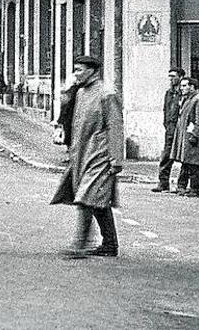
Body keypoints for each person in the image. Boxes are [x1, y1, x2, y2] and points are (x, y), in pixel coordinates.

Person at [52, 55, 123, 259]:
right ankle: (110, 244)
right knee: (97, 199)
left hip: (101, 153)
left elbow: (115, 126)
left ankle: (80, 244)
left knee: (86, 197)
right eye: (75, 70)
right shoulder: (81, 92)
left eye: (80, 70)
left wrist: (116, 159)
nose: (76, 74)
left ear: (93, 71)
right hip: (83, 153)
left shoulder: (107, 94)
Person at [172, 76, 199, 198]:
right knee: (186, 162)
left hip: (192, 136)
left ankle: (196, 188)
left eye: (184, 85)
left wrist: (195, 135)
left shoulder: (198, 100)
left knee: (194, 163)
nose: (181, 88)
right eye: (181, 86)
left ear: (192, 87)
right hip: (185, 135)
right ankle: (181, 186)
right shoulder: (187, 99)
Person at [152, 69, 183, 192]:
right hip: (170, 129)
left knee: (184, 157)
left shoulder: (184, 92)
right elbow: (166, 110)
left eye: (173, 76)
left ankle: (182, 185)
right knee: (166, 155)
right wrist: (166, 124)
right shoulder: (169, 93)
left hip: (181, 128)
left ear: (180, 77)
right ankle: (163, 182)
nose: (170, 79)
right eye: (169, 76)